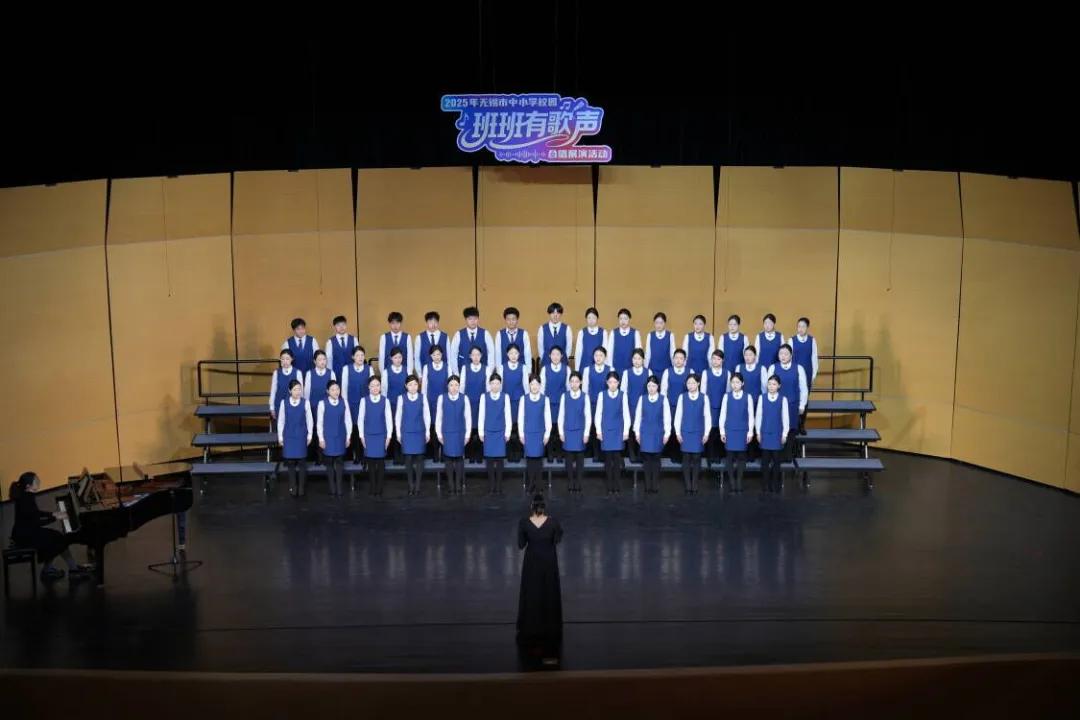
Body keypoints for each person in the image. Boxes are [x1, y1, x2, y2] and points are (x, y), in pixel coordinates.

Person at [8, 472, 92, 582]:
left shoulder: (26, 495)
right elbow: (36, 522)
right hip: (25, 536)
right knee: (59, 539)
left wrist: (52, 514)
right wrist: (55, 518)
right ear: (28, 486)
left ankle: (55, 569)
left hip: (26, 531)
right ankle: (71, 570)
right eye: (36, 480)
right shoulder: (26, 500)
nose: (39, 481)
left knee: (57, 537)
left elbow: (35, 513)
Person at [517, 493, 563, 662]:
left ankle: (531, 626)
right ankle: (551, 626)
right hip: (549, 563)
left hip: (532, 564)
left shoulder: (524, 523)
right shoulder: (553, 523)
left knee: (532, 593)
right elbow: (557, 539)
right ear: (544, 507)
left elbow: (521, 545)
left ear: (532, 507)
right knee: (549, 592)